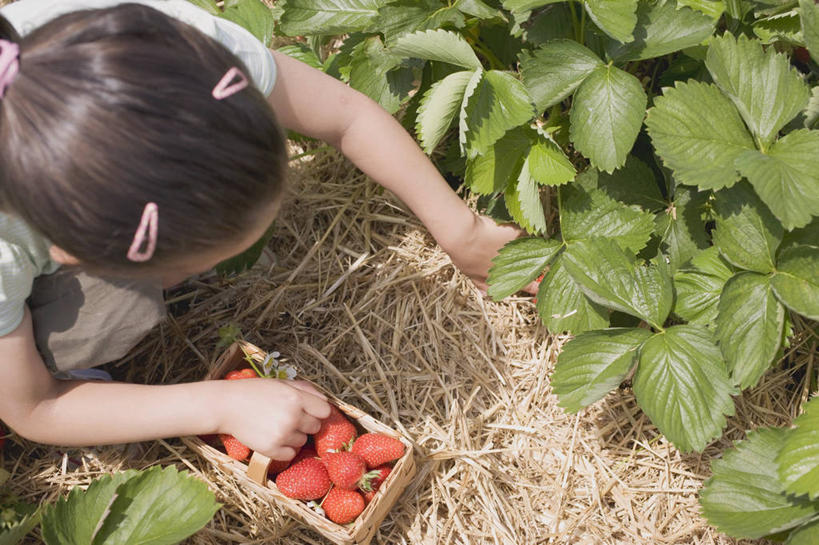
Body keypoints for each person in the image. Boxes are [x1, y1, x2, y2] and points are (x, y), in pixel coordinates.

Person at [0, 0, 529, 461]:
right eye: (190, 265)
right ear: (68, 250)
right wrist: (218, 404)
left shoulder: (182, 55)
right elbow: (34, 406)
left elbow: (346, 116)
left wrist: (461, 230)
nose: (208, 272)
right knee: (109, 319)